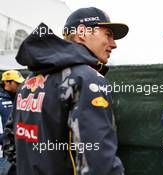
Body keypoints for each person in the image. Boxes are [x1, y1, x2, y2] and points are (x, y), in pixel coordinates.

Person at [6, 7, 128, 175]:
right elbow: (99, 164)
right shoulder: (87, 79)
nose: (114, 44)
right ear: (82, 32)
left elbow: (10, 141)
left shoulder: (28, 81)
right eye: (108, 34)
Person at [0, 70, 24, 175]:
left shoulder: (22, 98)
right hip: (4, 152)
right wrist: (5, 141)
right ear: (7, 82)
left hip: (20, 150)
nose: (20, 85)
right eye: (17, 83)